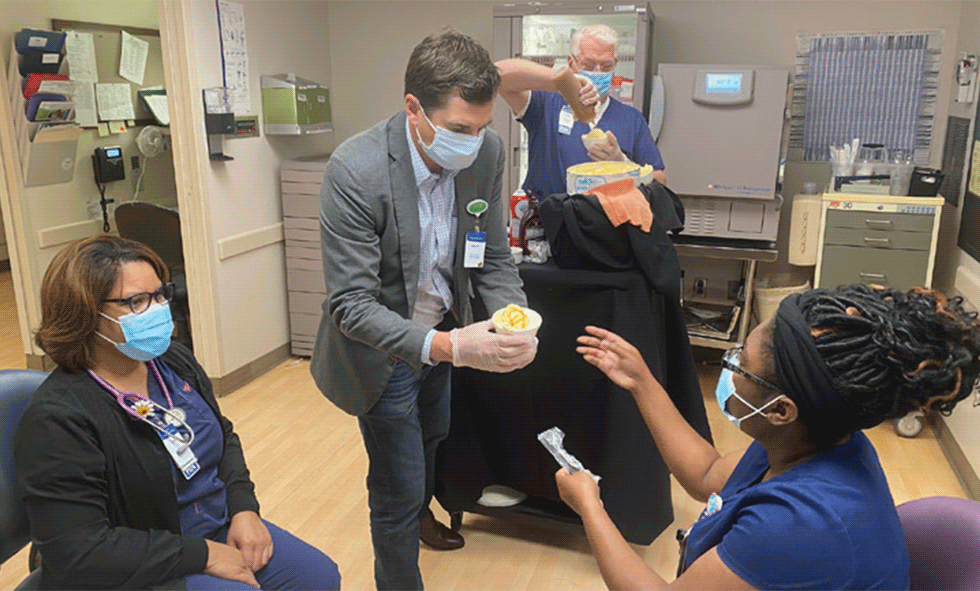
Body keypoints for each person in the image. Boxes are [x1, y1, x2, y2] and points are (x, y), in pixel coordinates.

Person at [308, 29, 538, 591]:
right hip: (381, 354)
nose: (474, 142)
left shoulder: (485, 153)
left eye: (482, 127)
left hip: (442, 334)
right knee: (396, 485)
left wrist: (516, 317)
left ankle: (420, 512)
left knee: (433, 439)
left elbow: (493, 256)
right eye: (459, 129)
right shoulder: (356, 169)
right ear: (413, 108)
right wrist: (451, 347)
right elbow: (351, 306)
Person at [561, 284, 980, 590]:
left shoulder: (799, 526)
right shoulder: (817, 438)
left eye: (740, 363)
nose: (728, 368)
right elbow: (706, 474)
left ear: (781, 410)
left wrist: (590, 507)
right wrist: (641, 381)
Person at [15, 236, 341, 591]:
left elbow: (222, 436)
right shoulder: (58, 417)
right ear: (86, 314)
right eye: (137, 301)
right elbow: (78, 550)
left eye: (160, 295)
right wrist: (205, 555)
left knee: (317, 577)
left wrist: (244, 508)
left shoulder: (171, 362)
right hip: (141, 561)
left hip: (213, 525)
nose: (158, 309)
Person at [496, 24, 667, 200]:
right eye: (589, 65)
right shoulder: (546, 104)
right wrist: (562, 81)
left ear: (615, 64)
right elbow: (498, 74)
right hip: (551, 214)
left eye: (606, 66)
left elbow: (659, 181)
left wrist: (623, 164)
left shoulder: (631, 119)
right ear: (572, 63)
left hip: (607, 216)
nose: (597, 73)